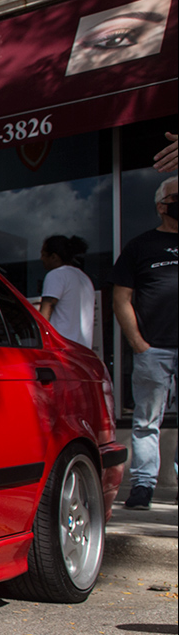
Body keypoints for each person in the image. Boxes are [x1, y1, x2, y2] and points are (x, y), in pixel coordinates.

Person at [112, 176, 178, 510]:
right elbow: (121, 298)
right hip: (154, 349)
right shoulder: (140, 246)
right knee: (147, 421)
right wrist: (138, 343)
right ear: (161, 205)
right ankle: (143, 486)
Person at [37, 235, 94, 349]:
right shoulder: (83, 278)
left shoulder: (56, 275)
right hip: (82, 350)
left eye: (43, 254)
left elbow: (47, 308)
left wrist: (38, 337)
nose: (41, 259)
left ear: (54, 257)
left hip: (61, 348)